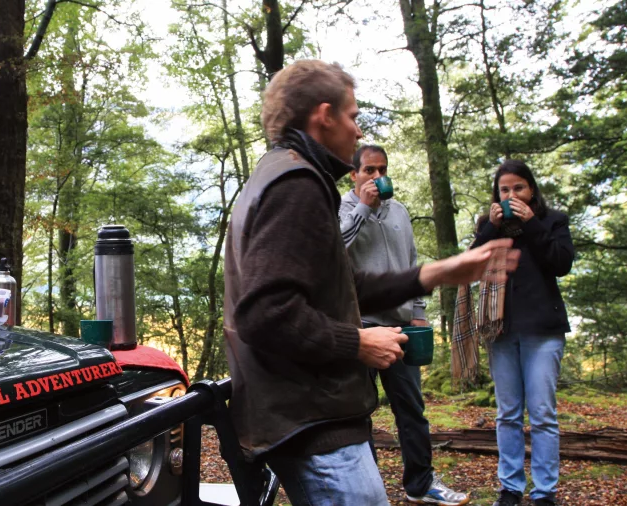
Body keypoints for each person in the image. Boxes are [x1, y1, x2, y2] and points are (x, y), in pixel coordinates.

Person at [222, 59, 519, 506]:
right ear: (324, 115)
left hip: (307, 410)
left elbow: (338, 285)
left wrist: (435, 273)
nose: (358, 132)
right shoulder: (296, 184)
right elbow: (264, 313)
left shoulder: (285, 174)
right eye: (353, 116)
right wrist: (357, 344)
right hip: (309, 417)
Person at [339, 145, 470, 506]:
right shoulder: (342, 209)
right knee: (358, 411)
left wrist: (419, 311)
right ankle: (368, 488)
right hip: (361, 327)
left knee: (411, 408)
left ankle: (420, 483)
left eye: (382, 170)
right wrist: (364, 207)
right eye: (369, 170)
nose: (377, 177)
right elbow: (336, 253)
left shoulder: (400, 211)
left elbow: (411, 262)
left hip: (400, 327)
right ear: (354, 174)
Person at [471, 160, 574, 506]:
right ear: (496, 194)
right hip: (501, 331)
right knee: (508, 413)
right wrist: (490, 230)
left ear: (531, 190)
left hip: (544, 330)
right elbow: (471, 266)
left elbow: (561, 263)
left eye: (518, 188)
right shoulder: (489, 226)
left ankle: (544, 491)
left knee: (543, 413)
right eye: (504, 189)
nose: (511, 194)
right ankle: (511, 487)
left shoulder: (552, 221)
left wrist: (531, 224)